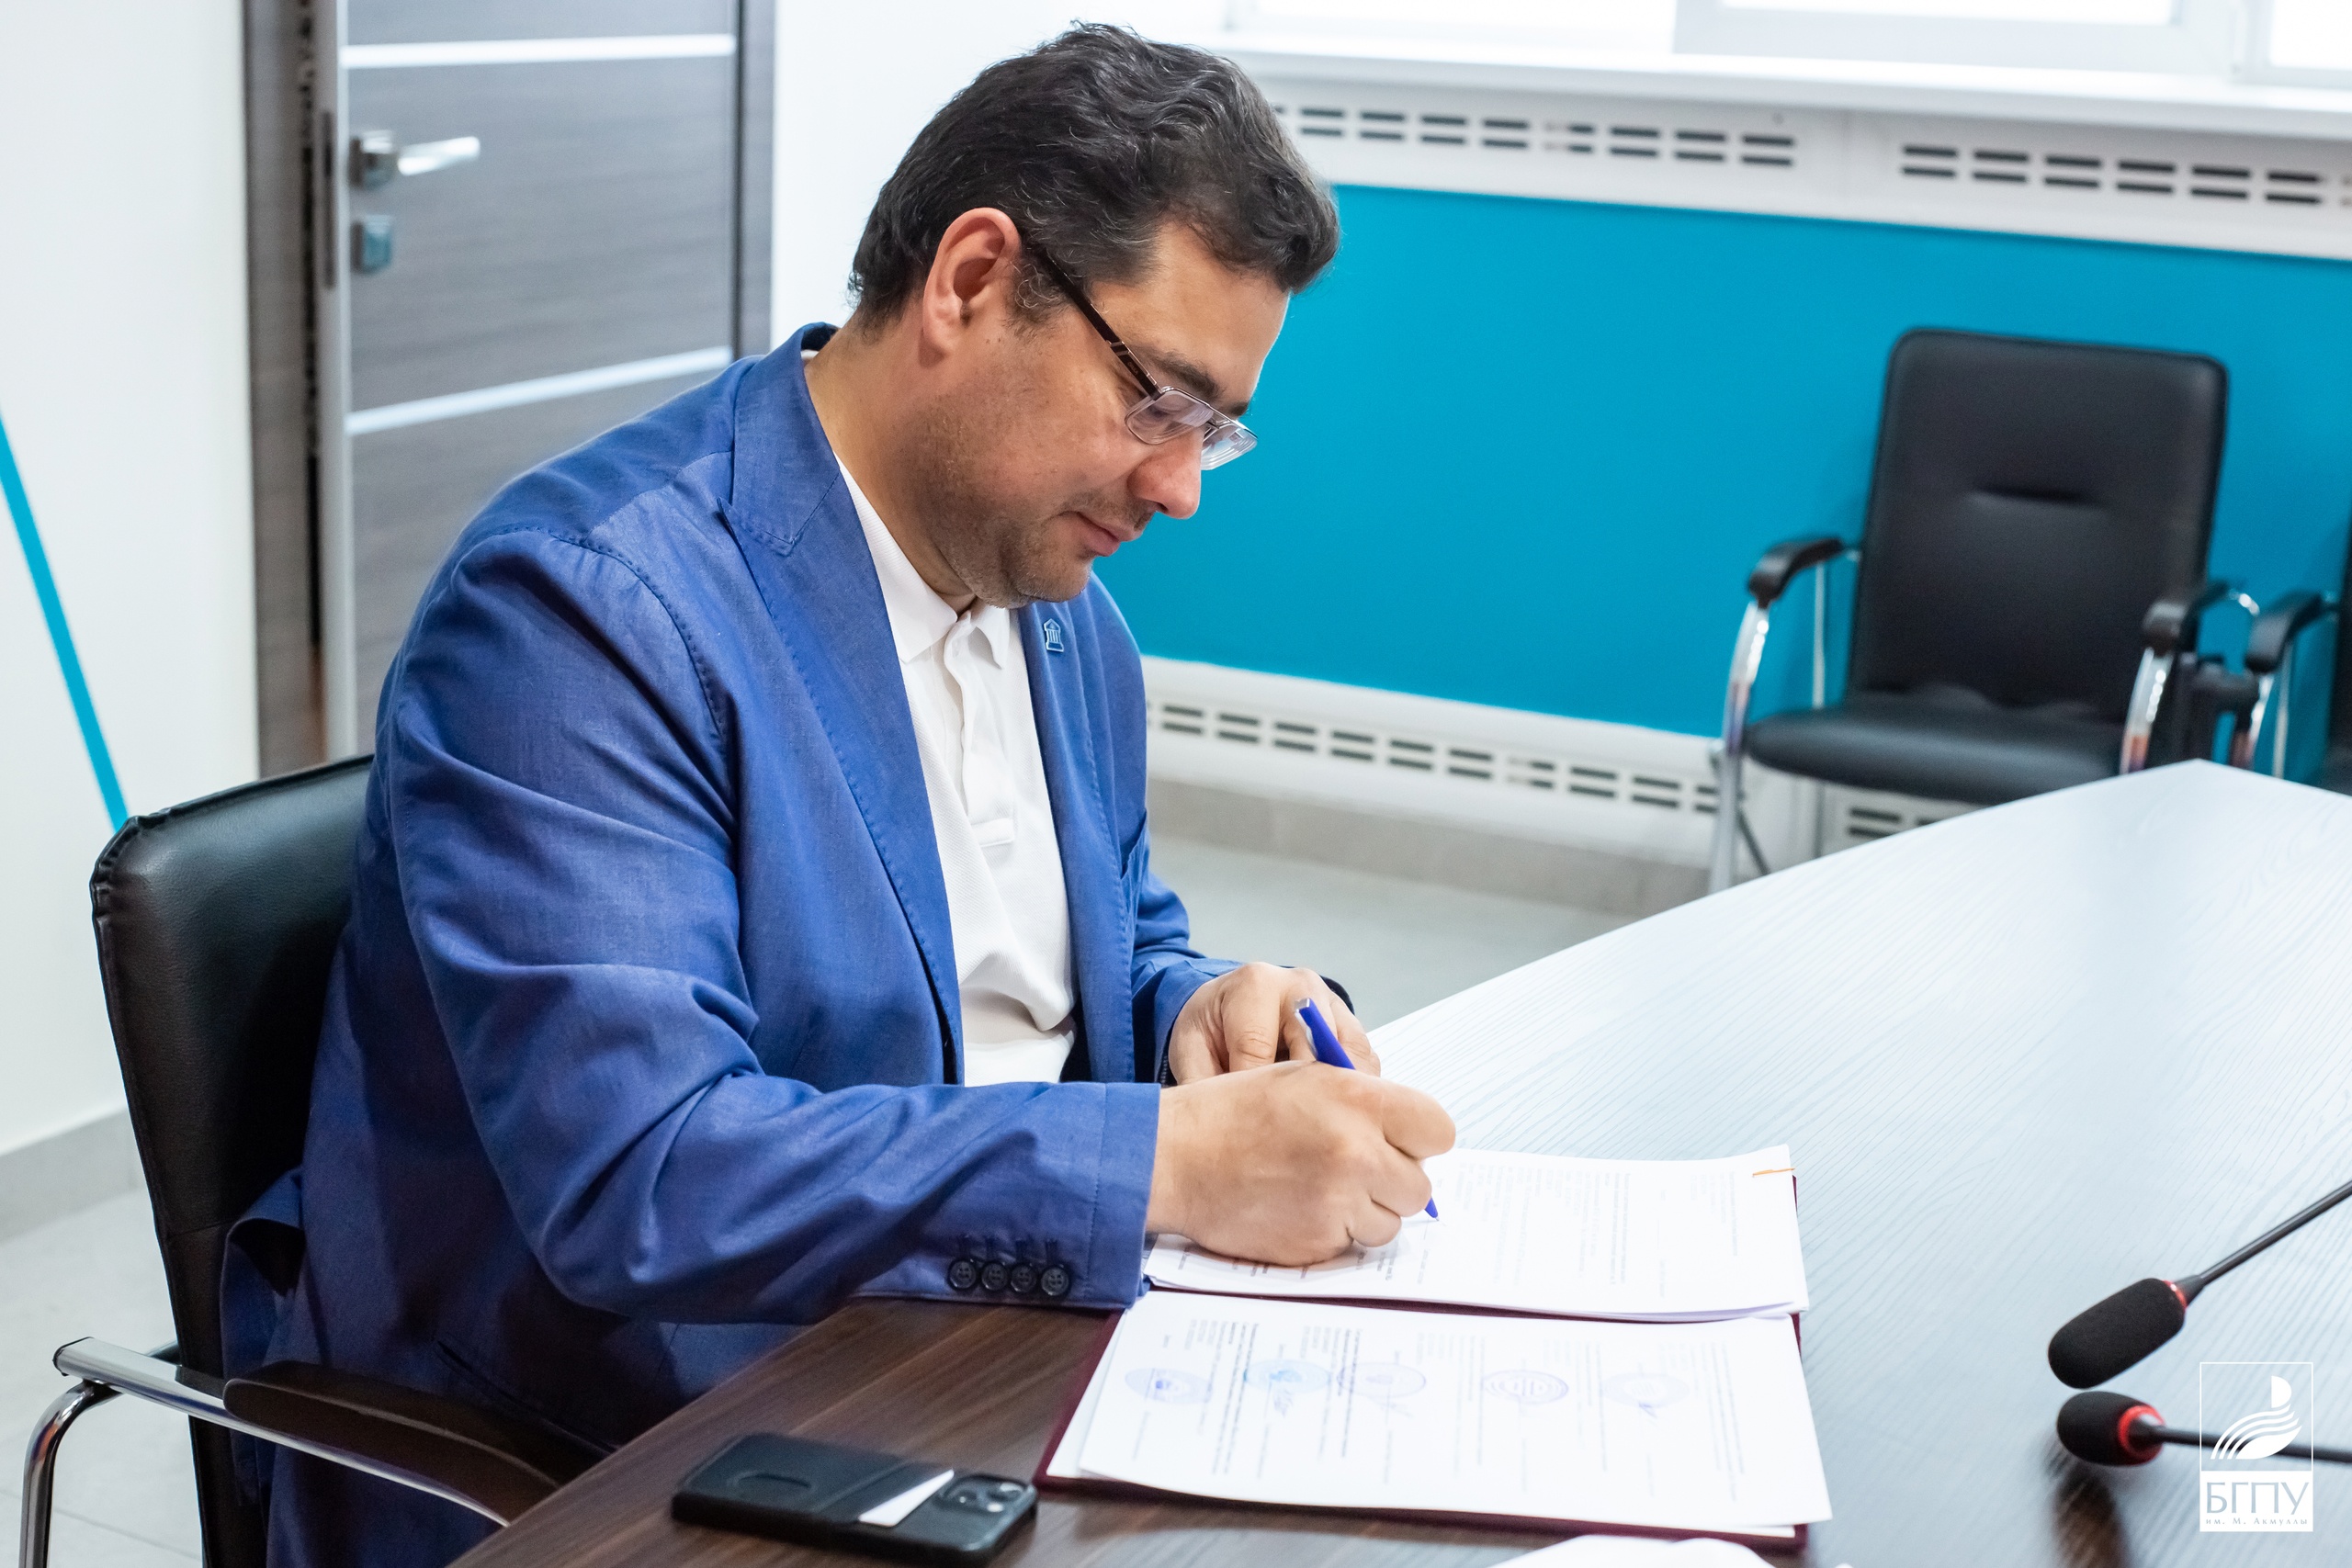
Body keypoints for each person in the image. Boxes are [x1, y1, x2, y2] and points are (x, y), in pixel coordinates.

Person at [229, 25, 1453, 1566]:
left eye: (1216, 428)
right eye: (1158, 400)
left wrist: (1200, 1010)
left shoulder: (1062, 616)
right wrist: (1172, 1163)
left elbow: (1095, 956)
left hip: (966, 1359)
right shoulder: (586, 615)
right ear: (970, 282)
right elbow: (648, 1176)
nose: (1180, 486)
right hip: (635, 1448)